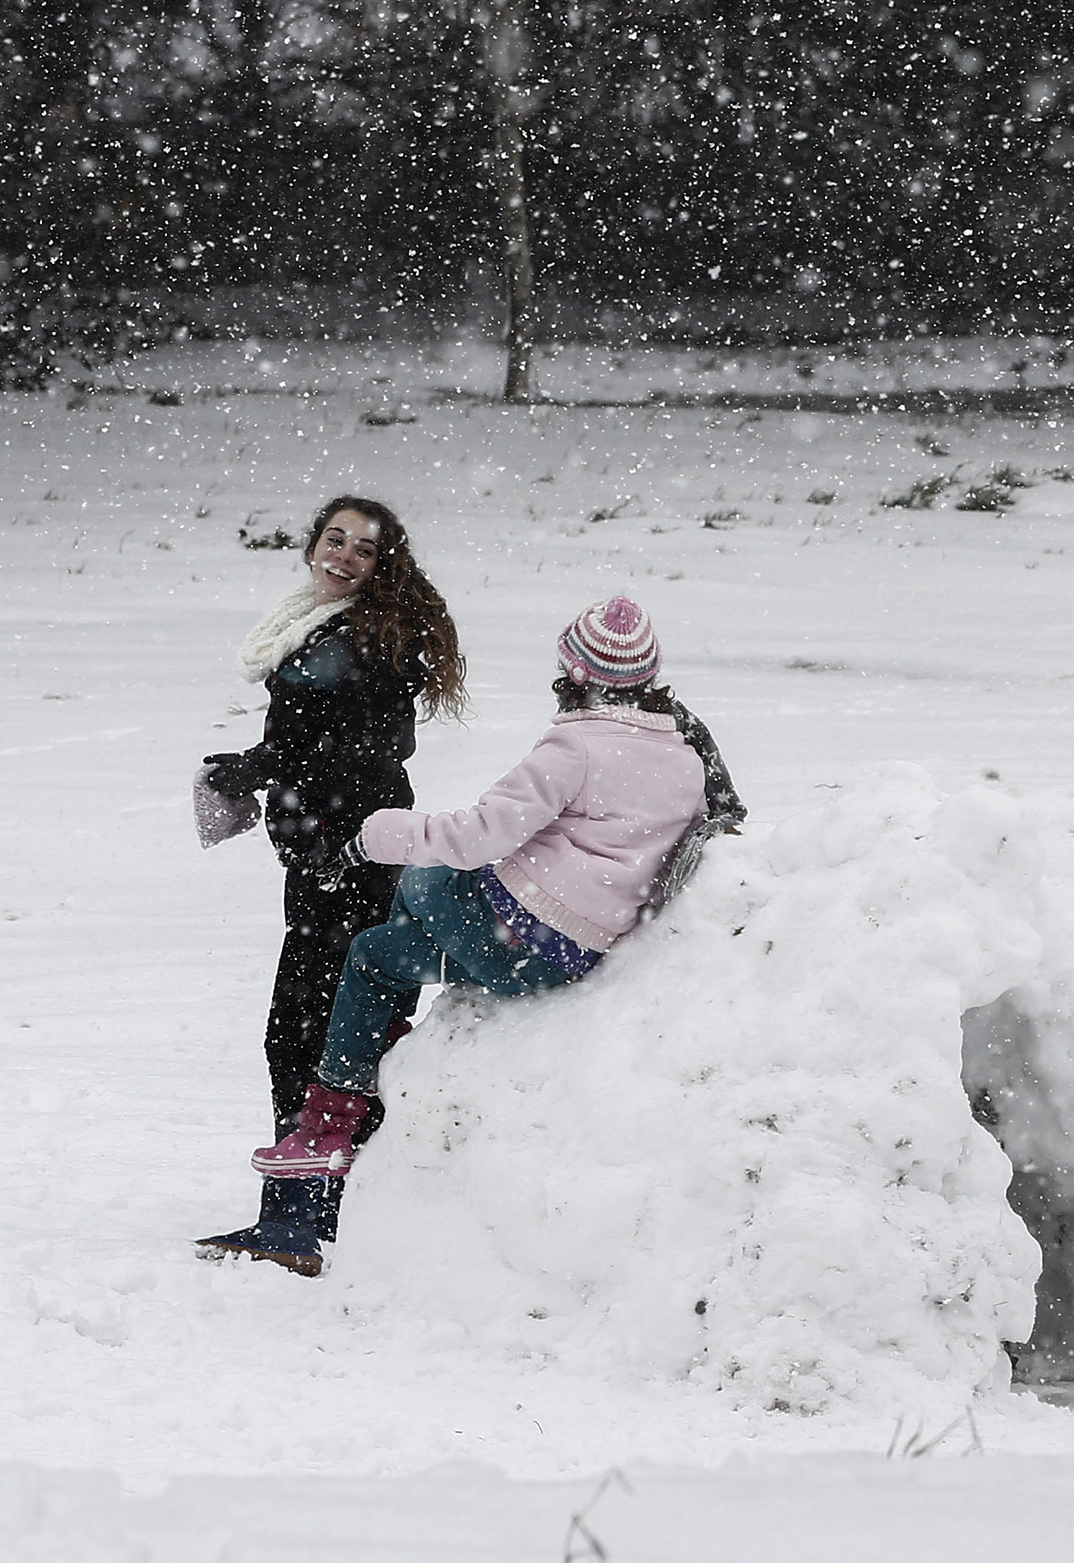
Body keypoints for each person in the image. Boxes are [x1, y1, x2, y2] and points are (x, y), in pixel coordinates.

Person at [248, 595, 730, 1204]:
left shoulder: (574, 748)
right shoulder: (682, 758)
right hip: (565, 956)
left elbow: (476, 838)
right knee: (378, 948)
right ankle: (373, 1055)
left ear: (574, 672)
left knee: (415, 886)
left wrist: (377, 832)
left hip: (512, 936)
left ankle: (329, 1120)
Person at [195, 496, 463, 1275]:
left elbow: (359, 748)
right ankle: (336, 1207)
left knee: (311, 1032)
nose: (342, 555)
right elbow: (316, 735)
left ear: (387, 564)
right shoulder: (325, 622)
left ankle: (304, 1219)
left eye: (363, 549)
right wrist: (260, 765)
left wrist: (266, 770)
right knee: (338, 1030)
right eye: (334, 539)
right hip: (325, 854)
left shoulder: (367, 638)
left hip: (346, 858)